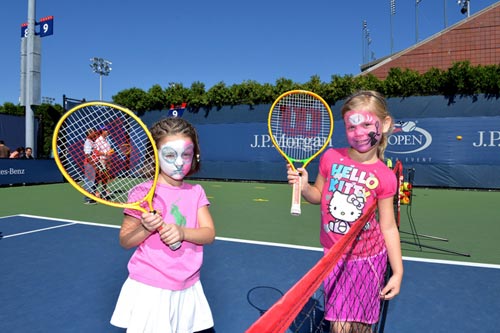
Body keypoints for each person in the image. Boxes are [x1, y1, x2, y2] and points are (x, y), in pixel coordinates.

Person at [287, 90, 403, 333]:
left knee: (360, 326)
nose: (359, 133)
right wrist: (304, 186)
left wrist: (398, 271)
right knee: (339, 325)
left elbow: (388, 226)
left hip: (368, 261)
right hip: (333, 257)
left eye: (366, 124)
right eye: (351, 127)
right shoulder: (331, 157)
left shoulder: (385, 176)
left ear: (385, 124)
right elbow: (318, 196)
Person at [110, 117, 216, 333]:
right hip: (151, 288)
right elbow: (125, 240)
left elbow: (209, 234)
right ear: (155, 156)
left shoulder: (196, 192)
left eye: (185, 154)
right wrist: (145, 228)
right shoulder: (141, 193)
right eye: (169, 155)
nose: (179, 162)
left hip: (189, 285)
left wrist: (182, 232)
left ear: (194, 155)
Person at [93, 127, 113, 199]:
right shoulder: (98, 141)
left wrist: (109, 161)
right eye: (105, 130)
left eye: (107, 130)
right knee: (99, 177)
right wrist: (105, 154)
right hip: (101, 161)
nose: (107, 131)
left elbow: (108, 152)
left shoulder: (107, 140)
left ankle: (103, 191)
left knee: (105, 177)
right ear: (102, 132)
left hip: (106, 161)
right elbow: (96, 152)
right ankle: (94, 192)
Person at [83, 129, 98, 205]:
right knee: (89, 181)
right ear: (89, 134)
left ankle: (91, 197)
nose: (95, 134)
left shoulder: (92, 142)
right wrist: (93, 164)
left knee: (92, 181)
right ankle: (88, 199)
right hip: (89, 164)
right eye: (93, 133)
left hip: (92, 164)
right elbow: (87, 155)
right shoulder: (88, 142)